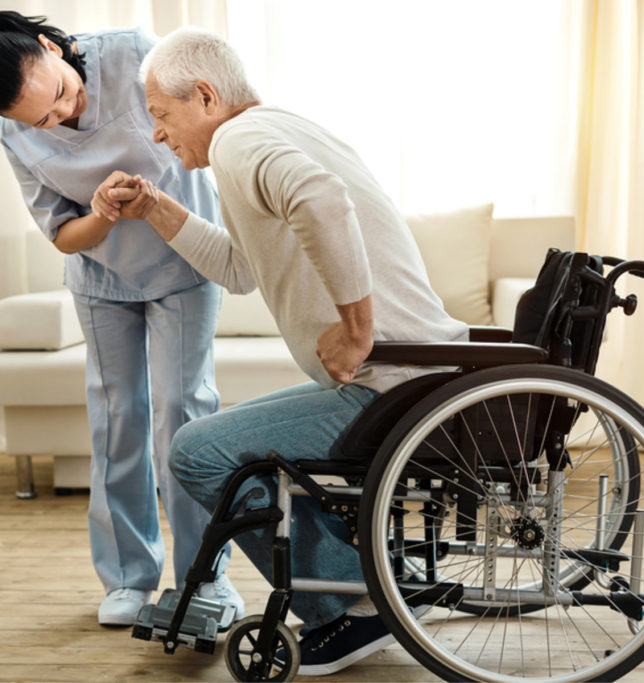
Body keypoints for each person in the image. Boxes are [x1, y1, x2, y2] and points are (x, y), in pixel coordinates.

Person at [96, 27, 468, 676]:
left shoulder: (241, 141)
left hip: (391, 385)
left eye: (161, 114)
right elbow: (241, 268)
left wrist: (357, 326)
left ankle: (348, 611)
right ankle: (374, 581)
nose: (157, 134)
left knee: (196, 450)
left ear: (206, 96)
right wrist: (156, 207)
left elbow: (321, 199)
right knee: (226, 441)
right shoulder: (269, 130)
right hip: (409, 377)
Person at [0, 13, 242, 627]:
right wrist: (104, 213)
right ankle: (127, 577)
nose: (62, 115)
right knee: (118, 421)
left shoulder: (136, 54)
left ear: (51, 47)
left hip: (182, 259)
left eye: (61, 94)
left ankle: (207, 579)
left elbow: (206, 125)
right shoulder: (15, 137)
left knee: (183, 415)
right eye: (43, 120)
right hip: (101, 277)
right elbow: (65, 235)